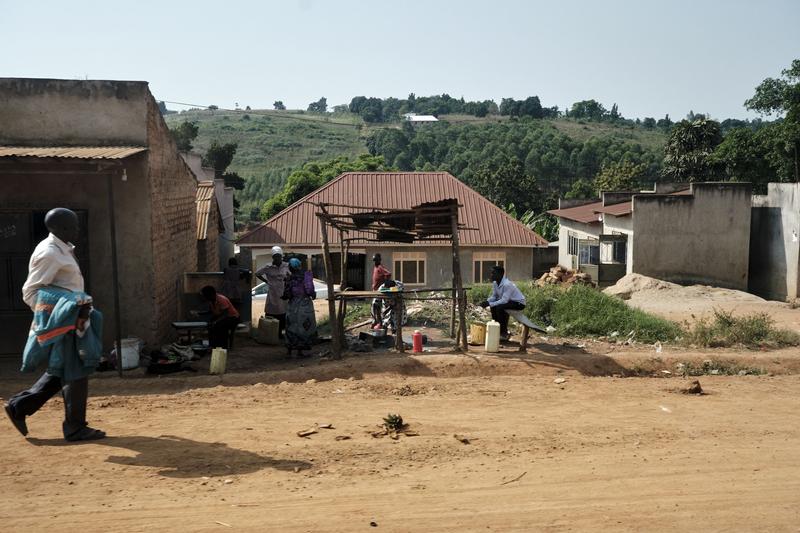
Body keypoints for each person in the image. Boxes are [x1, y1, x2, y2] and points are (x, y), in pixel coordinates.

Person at [4, 208, 105, 442]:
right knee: (77, 370)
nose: (78, 230)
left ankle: (19, 407)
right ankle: (75, 427)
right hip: (65, 322)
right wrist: (59, 315)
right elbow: (31, 292)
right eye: (74, 226)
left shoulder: (63, 249)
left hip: (74, 319)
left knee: (61, 371)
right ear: (60, 228)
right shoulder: (49, 253)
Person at [479, 265, 526, 341]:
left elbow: (504, 300)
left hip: (519, 303)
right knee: (494, 306)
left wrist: (489, 303)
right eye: (491, 273)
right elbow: (494, 296)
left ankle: (503, 333)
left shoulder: (507, 284)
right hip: (509, 301)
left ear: (500, 274)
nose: (491, 275)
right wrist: (488, 301)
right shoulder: (495, 283)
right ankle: (497, 329)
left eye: (493, 273)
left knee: (499, 307)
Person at [282, 258, 317, 357]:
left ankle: (289, 351)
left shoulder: (289, 278)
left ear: (291, 268)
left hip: (292, 306)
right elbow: (310, 290)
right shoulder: (306, 276)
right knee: (303, 327)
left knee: (291, 326)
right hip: (304, 305)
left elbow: (286, 294)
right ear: (299, 266)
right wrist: (313, 294)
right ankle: (300, 351)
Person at [255, 246, 290, 338]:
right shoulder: (268, 267)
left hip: (283, 291)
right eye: (275, 256)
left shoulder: (286, 266)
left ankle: (281, 332)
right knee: (272, 312)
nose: (277, 258)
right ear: (273, 257)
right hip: (273, 292)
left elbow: (290, 275)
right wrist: (266, 281)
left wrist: (288, 281)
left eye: (279, 256)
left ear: (281, 256)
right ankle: (272, 332)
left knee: (283, 311)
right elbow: (257, 273)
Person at [370, 253, 391, 328]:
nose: (375, 262)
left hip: (379, 291)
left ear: (379, 260)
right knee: (375, 307)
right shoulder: (375, 267)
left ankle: (379, 322)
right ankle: (377, 321)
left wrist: (384, 284)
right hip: (375, 290)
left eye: (376, 260)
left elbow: (388, 274)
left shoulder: (380, 267)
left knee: (376, 306)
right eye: (374, 260)